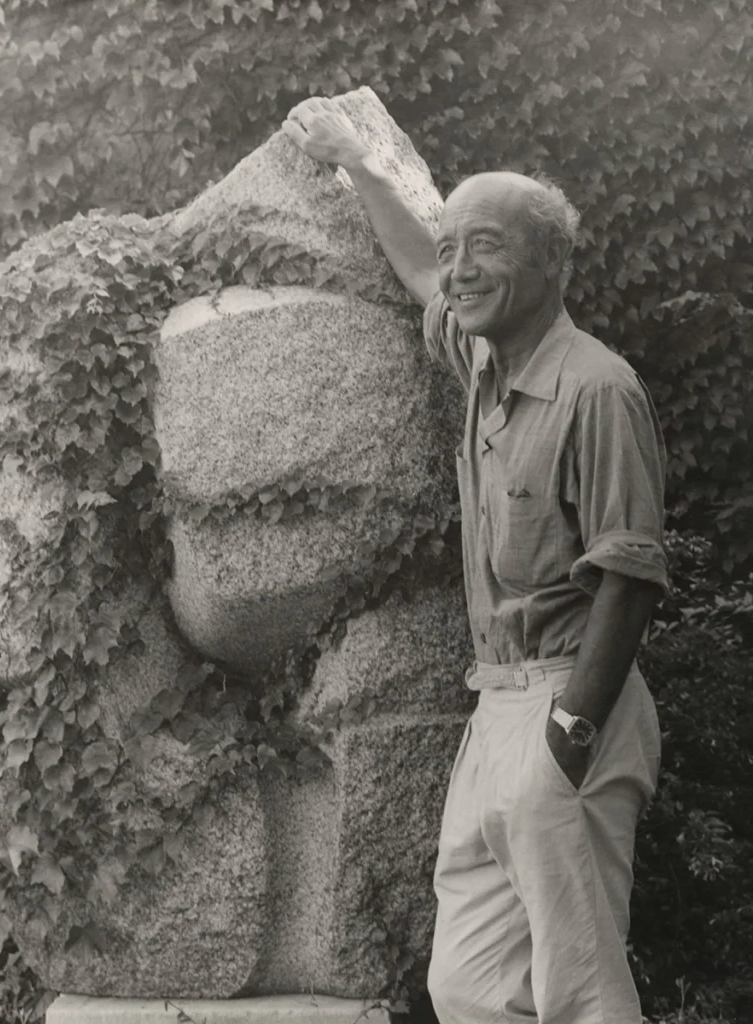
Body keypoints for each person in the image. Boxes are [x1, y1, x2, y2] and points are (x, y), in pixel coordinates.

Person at [282, 97, 667, 1024]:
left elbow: (628, 575)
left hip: (571, 699)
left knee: (579, 990)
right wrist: (359, 165)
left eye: (484, 245)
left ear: (549, 261)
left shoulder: (596, 389)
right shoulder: (485, 365)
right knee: (469, 986)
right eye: (456, 245)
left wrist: (570, 731)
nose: (460, 269)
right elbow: (420, 268)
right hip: (494, 701)